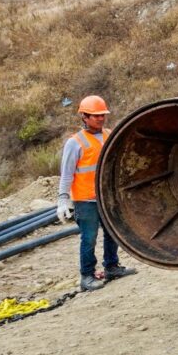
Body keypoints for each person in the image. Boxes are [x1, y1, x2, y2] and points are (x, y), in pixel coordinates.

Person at [57, 95, 136, 291]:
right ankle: (87, 276)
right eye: (95, 116)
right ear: (84, 116)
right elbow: (66, 174)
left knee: (112, 233)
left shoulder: (110, 135)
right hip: (86, 200)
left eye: (102, 115)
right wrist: (63, 199)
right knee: (89, 237)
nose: (100, 119)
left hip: (106, 196)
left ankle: (111, 267)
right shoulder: (75, 143)